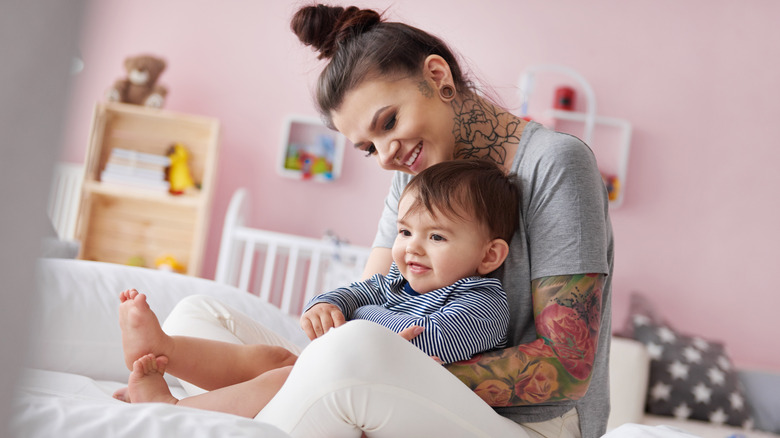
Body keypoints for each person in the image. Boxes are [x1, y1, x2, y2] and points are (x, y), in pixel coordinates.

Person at [156, 4, 613, 437]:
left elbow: (566, 367)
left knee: (344, 359)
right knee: (195, 315)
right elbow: (367, 307)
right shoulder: (414, 171)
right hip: (401, 380)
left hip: (532, 423)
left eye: (389, 122)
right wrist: (329, 325)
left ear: (437, 76)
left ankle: (183, 420)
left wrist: (399, 369)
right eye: (369, 147)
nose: (386, 157)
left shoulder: (554, 164)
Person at [116, 159, 521, 417]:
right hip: (342, 370)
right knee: (271, 358)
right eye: (404, 231)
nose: (411, 246)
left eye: (436, 237)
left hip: (383, 403)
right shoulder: (397, 282)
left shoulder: (480, 301)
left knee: (282, 379)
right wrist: (326, 305)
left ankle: (172, 409)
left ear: (488, 256)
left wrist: (352, 328)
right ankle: (166, 350)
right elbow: (353, 294)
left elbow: (428, 343)